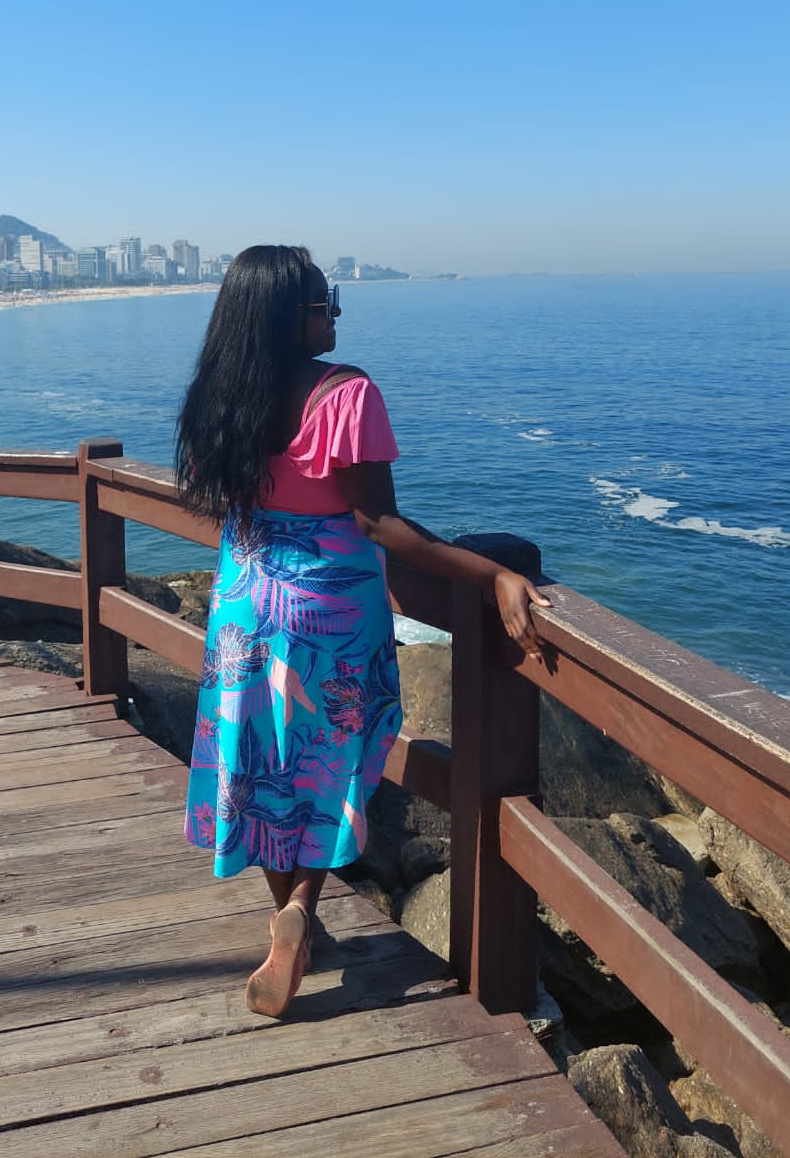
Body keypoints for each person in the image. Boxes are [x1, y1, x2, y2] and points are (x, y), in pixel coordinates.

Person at [176, 244, 549, 1018]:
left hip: (244, 605)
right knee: (330, 762)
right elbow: (380, 525)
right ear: (289, 313)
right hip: (329, 612)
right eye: (323, 302)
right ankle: (302, 914)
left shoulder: (222, 393)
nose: (335, 313)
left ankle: (291, 919)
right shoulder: (346, 394)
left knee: (264, 761)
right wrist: (495, 575)